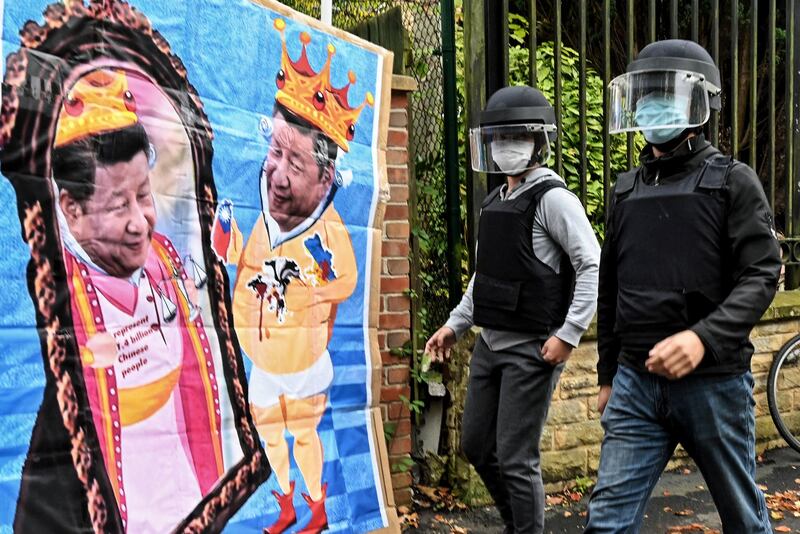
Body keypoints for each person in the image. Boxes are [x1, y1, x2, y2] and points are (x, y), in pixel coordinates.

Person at [585, 39, 781, 533]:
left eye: (665, 94)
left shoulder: (733, 183)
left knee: (743, 519)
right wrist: (608, 374)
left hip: (713, 385)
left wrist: (702, 338)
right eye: (645, 94)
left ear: (701, 104)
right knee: (606, 524)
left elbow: (762, 274)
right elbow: (611, 289)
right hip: (635, 384)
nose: (653, 105)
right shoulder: (625, 190)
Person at [46, 69, 223, 533]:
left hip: (182, 487)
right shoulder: (58, 292)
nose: (140, 223)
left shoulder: (163, 257)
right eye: (117, 206)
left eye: (143, 196)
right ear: (72, 209)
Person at [211, 18, 369, 534]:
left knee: (302, 431)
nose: (277, 173)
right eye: (274, 153)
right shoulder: (266, 217)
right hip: (264, 360)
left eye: (294, 162)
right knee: (269, 433)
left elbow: (344, 281)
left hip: (302, 360)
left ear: (325, 177)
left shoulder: (328, 229)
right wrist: (226, 235)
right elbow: (243, 259)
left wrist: (310, 289)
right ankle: (285, 503)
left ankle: (317, 507)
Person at [425, 85, 600, 534]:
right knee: (478, 446)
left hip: (532, 348)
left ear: (538, 142)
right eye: (498, 139)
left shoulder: (554, 200)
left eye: (516, 137)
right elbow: (484, 277)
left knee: (518, 458)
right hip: (489, 342)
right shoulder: (493, 202)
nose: (506, 147)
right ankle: (517, 526)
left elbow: (590, 264)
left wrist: (569, 334)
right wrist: (454, 326)